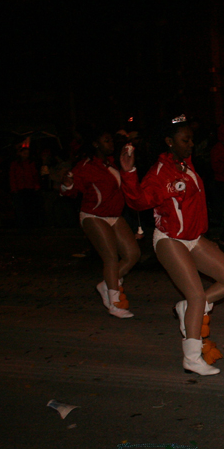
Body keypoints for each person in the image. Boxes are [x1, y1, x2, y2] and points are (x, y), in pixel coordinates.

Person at [120, 115, 224, 374]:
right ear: (169, 142)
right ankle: (192, 357)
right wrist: (129, 172)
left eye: (191, 139)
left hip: (194, 238)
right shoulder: (159, 173)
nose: (190, 144)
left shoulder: (185, 164)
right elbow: (138, 202)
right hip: (170, 240)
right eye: (184, 140)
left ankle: (187, 309)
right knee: (197, 294)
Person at [61, 129, 141, 318]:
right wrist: (67, 185)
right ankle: (114, 302)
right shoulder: (85, 166)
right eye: (106, 141)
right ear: (96, 144)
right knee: (111, 257)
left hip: (114, 214)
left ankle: (106, 284)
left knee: (133, 254)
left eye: (111, 140)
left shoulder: (111, 162)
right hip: (93, 215)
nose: (111, 144)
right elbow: (70, 191)